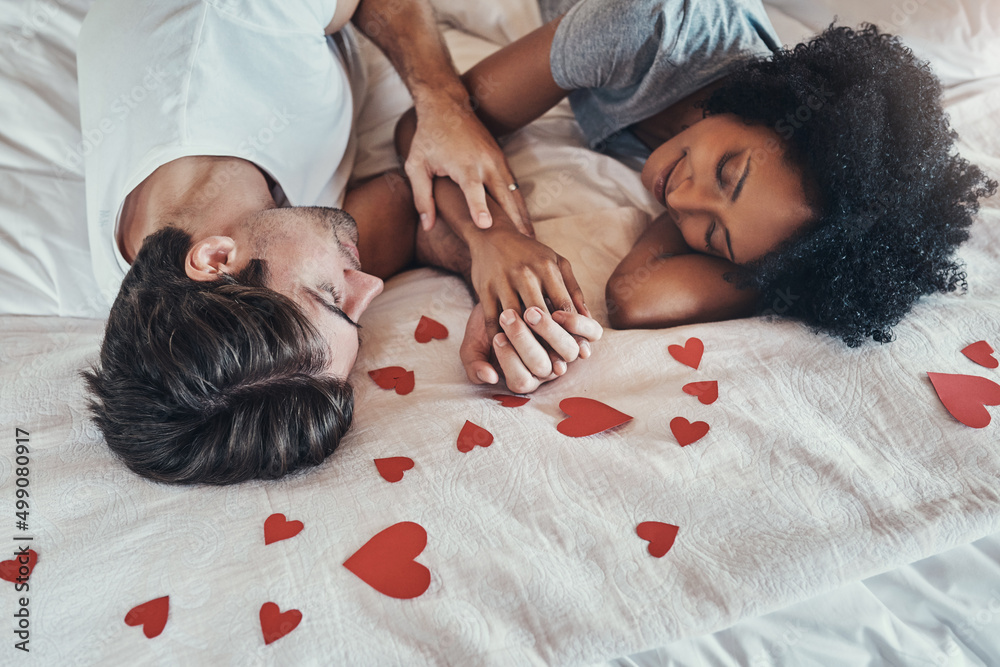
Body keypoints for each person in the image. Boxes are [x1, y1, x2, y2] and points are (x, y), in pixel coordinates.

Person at [78, 0, 600, 485]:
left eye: (333, 298)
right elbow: (407, 217)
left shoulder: (234, 26)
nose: (371, 285)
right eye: (353, 316)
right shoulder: (188, 302)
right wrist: (500, 281)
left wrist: (445, 104)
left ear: (216, 258)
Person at [400, 0, 996, 389]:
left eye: (713, 236)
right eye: (728, 172)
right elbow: (426, 127)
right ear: (768, 109)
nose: (682, 200)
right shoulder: (643, 29)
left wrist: (799, 271)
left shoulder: (763, 216)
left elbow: (636, 299)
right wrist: (493, 241)